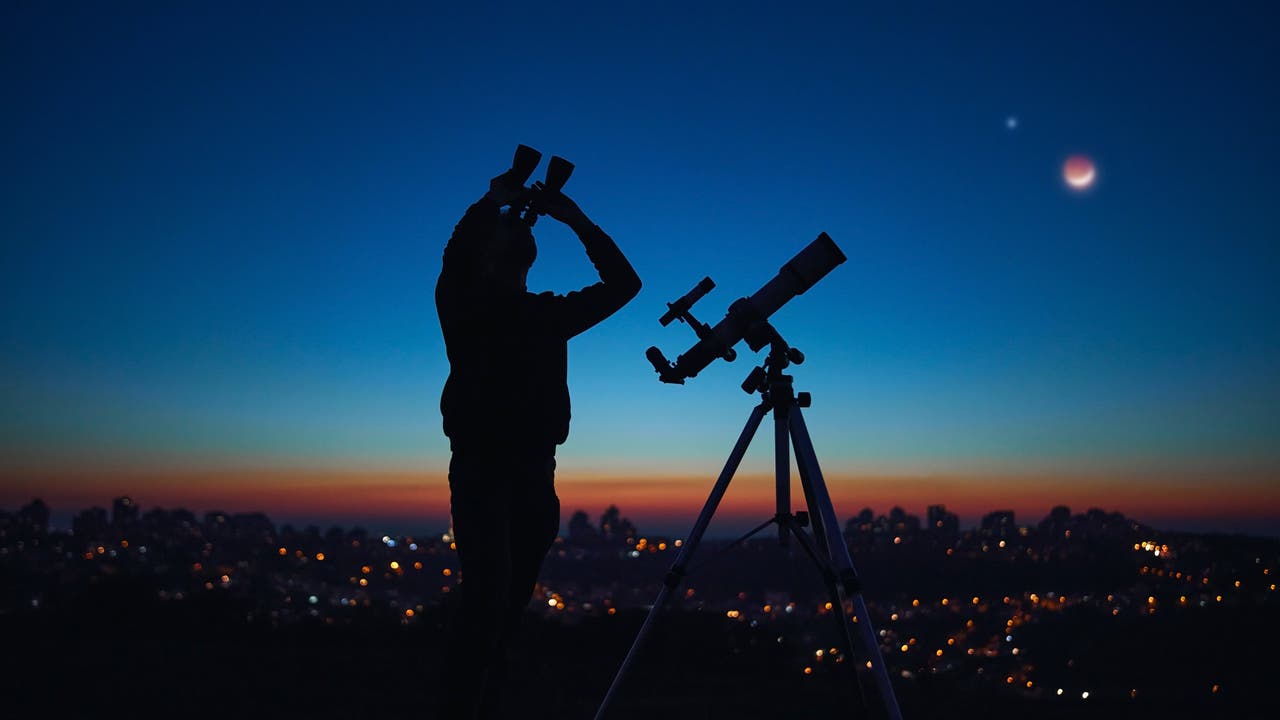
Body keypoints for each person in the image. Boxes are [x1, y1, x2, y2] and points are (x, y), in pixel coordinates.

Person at [435, 158, 641, 717]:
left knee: (504, 608)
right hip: (486, 469)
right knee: (485, 602)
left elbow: (626, 286)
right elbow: (622, 284)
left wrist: (558, 215)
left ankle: (482, 702)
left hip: (529, 473)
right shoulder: (467, 304)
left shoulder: (539, 314)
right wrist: (503, 206)